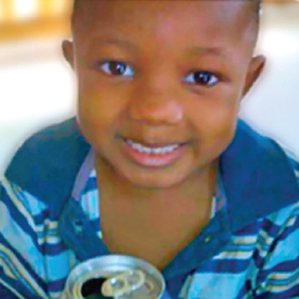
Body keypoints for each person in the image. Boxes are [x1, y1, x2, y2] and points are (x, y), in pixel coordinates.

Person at [1, 0, 298, 298]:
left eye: (202, 77)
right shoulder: (33, 186)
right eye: (117, 68)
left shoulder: (283, 206)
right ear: (74, 62)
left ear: (246, 81)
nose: (155, 111)